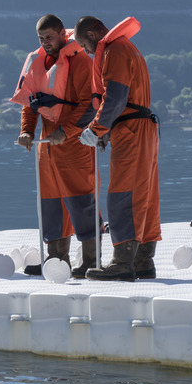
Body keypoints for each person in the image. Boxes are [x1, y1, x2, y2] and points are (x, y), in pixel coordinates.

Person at [10, 14, 100, 278]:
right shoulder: (38, 62)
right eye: (40, 39)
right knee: (50, 204)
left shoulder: (80, 61)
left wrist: (67, 131)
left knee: (82, 201)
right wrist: (26, 131)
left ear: (63, 33)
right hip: (46, 146)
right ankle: (56, 261)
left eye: (49, 37)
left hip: (74, 145)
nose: (45, 43)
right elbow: (30, 103)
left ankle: (91, 261)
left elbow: (88, 106)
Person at [73, 16, 161, 281]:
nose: (87, 52)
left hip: (132, 130)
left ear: (92, 34)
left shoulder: (113, 50)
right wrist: (107, 131)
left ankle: (123, 263)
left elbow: (116, 96)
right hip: (144, 128)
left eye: (84, 45)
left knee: (123, 194)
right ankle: (143, 261)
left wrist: (96, 129)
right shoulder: (127, 48)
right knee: (144, 194)